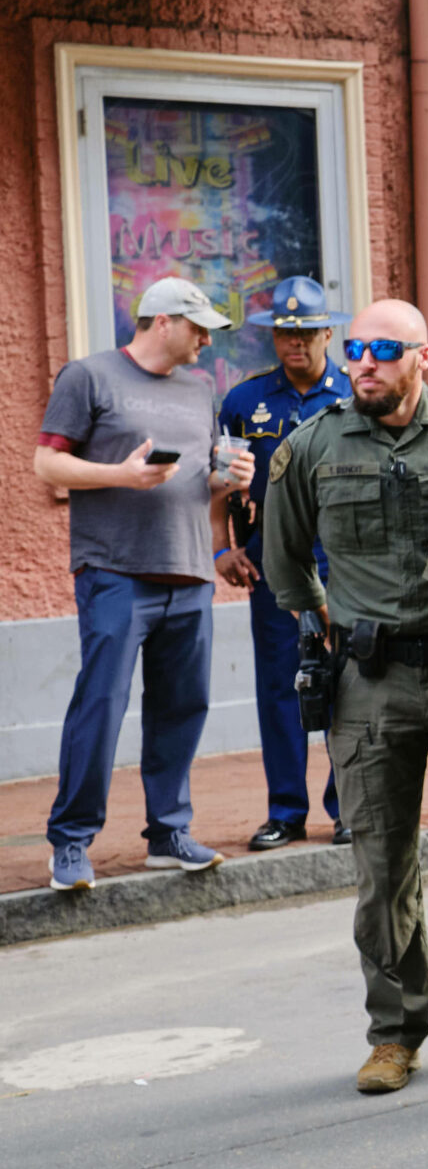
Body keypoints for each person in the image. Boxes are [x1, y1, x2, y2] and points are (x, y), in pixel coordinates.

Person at [264, 301, 428, 1094]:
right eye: (354, 349)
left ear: (422, 356)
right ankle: (394, 1031)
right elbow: (285, 564)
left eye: (383, 349)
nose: (363, 363)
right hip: (367, 682)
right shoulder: (311, 445)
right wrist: (330, 623)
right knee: (382, 862)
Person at [35, 276, 255, 891]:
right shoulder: (89, 376)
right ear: (162, 321)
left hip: (187, 572)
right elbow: (46, 462)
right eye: (198, 328)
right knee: (100, 706)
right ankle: (71, 843)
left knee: (182, 707)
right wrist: (120, 475)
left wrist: (229, 478)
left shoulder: (199, 388)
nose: (207, 340)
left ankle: (168, 834)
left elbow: (199, 479)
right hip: (114, 571)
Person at [221, 276, 355, 851]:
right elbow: (226, 486)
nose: (294, 343)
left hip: (345, 564)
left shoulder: (353, 397)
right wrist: (224, 548)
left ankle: (346, 806)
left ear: (327, 331)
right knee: (279, 685)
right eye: (283, 333)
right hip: (272, 563)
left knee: (347, 683)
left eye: (304, 332)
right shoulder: (242, 402)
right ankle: (286, 809)